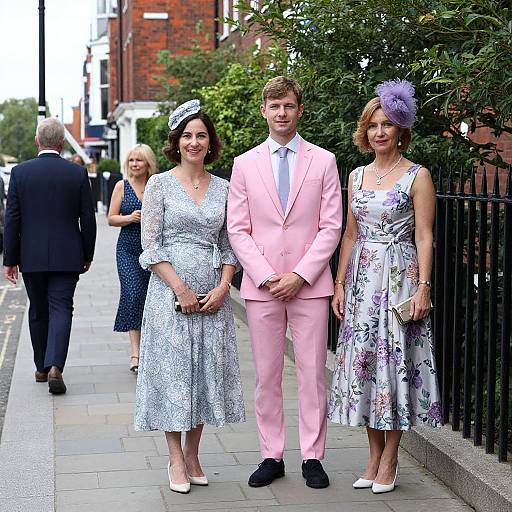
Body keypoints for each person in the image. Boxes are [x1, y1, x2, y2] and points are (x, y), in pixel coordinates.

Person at [227, 76, 342, 489]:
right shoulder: (244, 163)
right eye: (275, 107)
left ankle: (313, 456)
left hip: (310, 285)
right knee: (267, 375)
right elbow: (238, 229)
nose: (282, 113)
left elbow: (331, 226)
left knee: (312, 374)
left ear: (299, 109)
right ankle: (271, 455)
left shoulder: (324, 161)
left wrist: (299, 275)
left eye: (289, 106)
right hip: (262, 288)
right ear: (264, 111)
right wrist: (266, 276)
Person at [328, 79, 442, 494]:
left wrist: (423, 287)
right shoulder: (356, 175)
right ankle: (373, 458)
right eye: (373, 125)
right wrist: (339, 284)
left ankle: (390, 459)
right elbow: (349, 235)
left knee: (395, 367)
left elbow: (425, 236)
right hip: (361, 282)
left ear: (401, 130)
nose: (379, 132)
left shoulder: (418, 175)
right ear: (366, 130)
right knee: (365, 367)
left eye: (388, 125)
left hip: (400, 279)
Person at [134, 100, 245, 494]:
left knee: (203, 374)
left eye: (201, 135)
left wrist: (222, 288)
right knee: (172, 373)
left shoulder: (225, 188)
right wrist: (179, 287)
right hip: (168, 295)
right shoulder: (159, 184)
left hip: (211, 296)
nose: (194, 142)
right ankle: (174, 457)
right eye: (187, 136)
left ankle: (194, 454)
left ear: (209, 141)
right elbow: (150, 245)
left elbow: (230, 245)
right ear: (176, 142)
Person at [3, 117, 96, 394]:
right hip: (68, 255)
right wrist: (87, 253)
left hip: (30, 256)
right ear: (61, 143)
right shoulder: (77, 174)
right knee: (61, 308)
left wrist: (10, 259)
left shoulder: (20, 173)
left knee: (38, 309)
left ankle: (42, 368)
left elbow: (12, 219)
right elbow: (87, 219)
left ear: (37, 142)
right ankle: (56, 364)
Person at [108, 144, 157, 373]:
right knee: (134, 294)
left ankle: (151, 349)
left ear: (148, 163)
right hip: (127, 249)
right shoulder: (122, 186)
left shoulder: (157, 185)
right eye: (131, 161)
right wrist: (129, 217)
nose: (135, 165)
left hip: (153, 251)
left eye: (139, 160)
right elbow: (111, 218)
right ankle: (135, 353)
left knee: (151, 299)